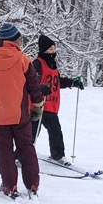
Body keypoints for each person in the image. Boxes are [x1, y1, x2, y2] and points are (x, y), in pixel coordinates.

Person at [0, 23, 45, 198]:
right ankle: (33, 185)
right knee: (27, 149)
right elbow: (34, 86)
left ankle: (9, 185)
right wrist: (37, 106)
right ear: (14, 40)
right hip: (20, 114)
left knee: (4, 152)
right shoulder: (23, 59)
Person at [29, 35, 83, 163]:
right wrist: (40, 88)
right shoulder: (37, 64)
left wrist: (72, 83)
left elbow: (57, 82)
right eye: (50, 49)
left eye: (54, 48)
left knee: (55, 131)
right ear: (44, 51)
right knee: (32, 132)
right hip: (37, 105)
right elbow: (32, 82)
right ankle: (21, 155)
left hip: (51, 106)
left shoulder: (53, 65)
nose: (53, 51)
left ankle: (58, 156)